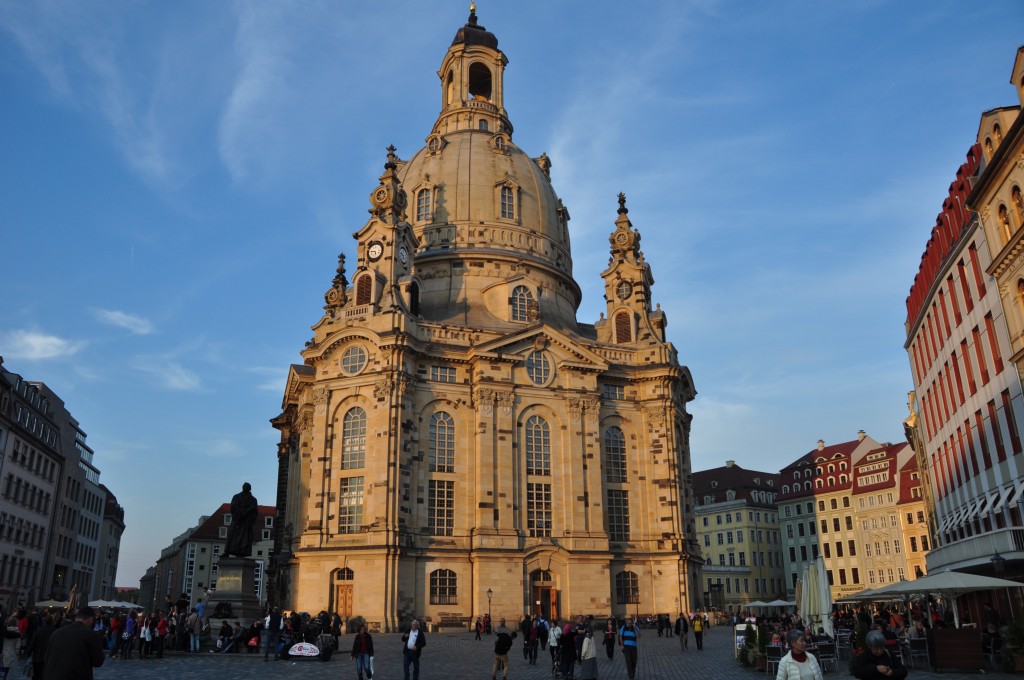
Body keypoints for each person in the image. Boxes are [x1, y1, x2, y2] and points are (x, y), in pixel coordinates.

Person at [43, 606, 105, 680]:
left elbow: (47, 658)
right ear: (91, 619)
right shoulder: (90, 635)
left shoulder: (56, 633)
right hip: (77, 675)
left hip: (52, 675)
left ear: (76, 618)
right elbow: (98, 661)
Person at [224, 482, 258, 557]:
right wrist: (243, 511)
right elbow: (233, 507)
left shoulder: (253, 500)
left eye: (246, 488)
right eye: (244, 487)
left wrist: (249, 516)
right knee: (231, 534)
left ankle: (242, 552)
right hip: (237, 520)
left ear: (249, 489)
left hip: (246, 522)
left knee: (244, 538)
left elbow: (255, 512)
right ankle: (227, 551)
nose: (245, 489)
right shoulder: (236, 497)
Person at [619, 616, 641, 680]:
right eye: (628, 621)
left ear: (632, 621)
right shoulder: (624, 627)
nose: (629, 622)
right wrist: (622, 645)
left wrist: (634, 628)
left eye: (630, 621)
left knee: (634, 661)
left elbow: (639, 636)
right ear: (626, 621)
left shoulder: (635, 628)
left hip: (633, 647)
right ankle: (631, 675)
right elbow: (620, 636)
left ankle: (633, 671)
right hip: (626, 647)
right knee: (628, 662)